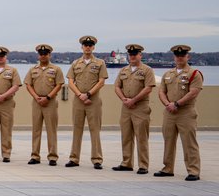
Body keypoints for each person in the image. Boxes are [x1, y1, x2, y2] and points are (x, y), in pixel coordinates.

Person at [156, 44, 203, 181]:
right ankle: (168, 168)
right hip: (169, 112)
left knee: (189, 142)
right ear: (174, 57)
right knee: (168, 141)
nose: (179, 58)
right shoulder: (168, 74)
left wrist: (177, 104)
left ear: (188, 57)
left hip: (186, 112)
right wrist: (167, 104)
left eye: (182, 55)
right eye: (177, 56)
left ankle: (193, 170)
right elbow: (161, 91)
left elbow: (193, 92)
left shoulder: (194, 74)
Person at [113, 43, 155, 174]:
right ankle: (127, 163)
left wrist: (134, 100)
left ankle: (143, 165)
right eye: (130, 54)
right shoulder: (123, 70)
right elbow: (117, 87)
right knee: (126, 136)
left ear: (140, 55)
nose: (132, 56)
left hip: (140, 106)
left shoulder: (147, 70)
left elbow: (148, 88)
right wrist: (124, 99)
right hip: (126, 107)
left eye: (135, 54)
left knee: (141, 137)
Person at [67, 35, 108, 169]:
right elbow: (71, 81)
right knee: (76, 129)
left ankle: (97, 159)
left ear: (93, 47)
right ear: (82, 47)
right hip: (78, 100)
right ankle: (74, 158)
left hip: (93, 100)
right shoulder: (75, 63)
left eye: (90, 45)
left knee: (95, 129)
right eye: (85, 45)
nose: (88, 47)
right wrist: (80, 94)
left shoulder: (100, 63)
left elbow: (101, 81)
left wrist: (89, 94)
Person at [25, 44, 64, 166]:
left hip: (50, 102)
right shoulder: (33, 69)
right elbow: (28, 84)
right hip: (36, 101)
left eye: (45, 54)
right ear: (38, 55)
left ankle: (52, 156)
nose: (43, 56)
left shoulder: (56, 69)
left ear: (49, 55)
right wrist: (36, 97)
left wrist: (48, 97)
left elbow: (59, 85)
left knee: (51, 130)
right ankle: (35, 156)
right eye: (41, 54)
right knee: (36, 130)